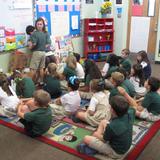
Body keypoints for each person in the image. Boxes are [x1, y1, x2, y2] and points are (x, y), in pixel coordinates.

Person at [29, 18, 51, 83]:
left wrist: (31, 47)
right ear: (36, 25)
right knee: (41, 69)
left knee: (33, 69)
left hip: (36, 53)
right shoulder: (46, 33)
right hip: (43, 53)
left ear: (43, 25)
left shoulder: (34, 34)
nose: (39, 25)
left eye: (40, 24)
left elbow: (34, 44)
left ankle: (31, 83)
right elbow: (48, 44)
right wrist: (43, 46)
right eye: (38, 24)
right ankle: (42, 82)